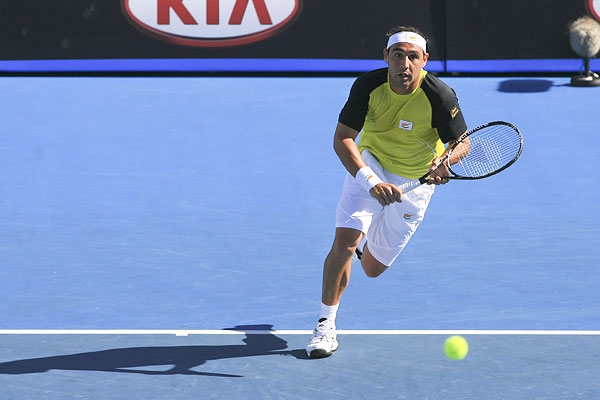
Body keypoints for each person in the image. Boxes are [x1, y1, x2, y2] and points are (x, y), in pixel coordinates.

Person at [306, 25, 468, 359]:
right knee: (344, 242)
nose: (404, 64)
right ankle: (325, 326)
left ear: (424, 60)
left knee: (372, 268)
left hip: (416, 178)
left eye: (413, 57)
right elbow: (342, 139)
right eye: (397, 55)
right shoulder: (368, 86)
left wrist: (445, 162)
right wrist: (370, 181)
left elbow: (462, 143)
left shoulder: (440, 95)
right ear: (386, 57)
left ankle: (363, 244)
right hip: (372, 165)